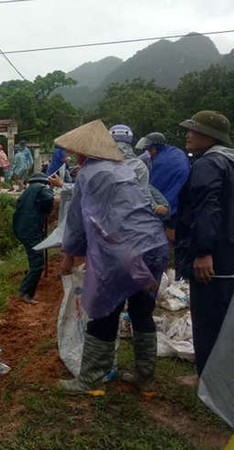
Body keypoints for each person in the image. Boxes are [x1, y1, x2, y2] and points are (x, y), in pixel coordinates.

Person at [56, 120, 169, 396]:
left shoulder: (88, 175)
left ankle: (90, 381)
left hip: (123, 253)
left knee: (103, 311)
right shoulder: (125, 171)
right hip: (154, 246)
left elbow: (77, 222)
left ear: (84, 154)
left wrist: (69, 255)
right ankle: (146, 380)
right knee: (142, 313)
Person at [175, 110, 234, 378]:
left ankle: (209, 383)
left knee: (209, 320)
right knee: (225, 320)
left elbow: (207, 208)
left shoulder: (207, 164)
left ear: (209, 136)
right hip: (229, 255)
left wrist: (203, 251)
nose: (188, 134)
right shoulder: (229, 161)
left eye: (194, 130)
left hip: (214, 258)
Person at [12, 172, 54, 305]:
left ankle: (28, 285)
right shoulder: (41, 188)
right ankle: (25, 292)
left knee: (35, 259)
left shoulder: (28, 191)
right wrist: (47, 207)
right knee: (38, 263)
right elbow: (48, 199)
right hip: (30, 230)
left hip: (22, 229)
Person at [135, 132, 190, 231]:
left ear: (156, 147)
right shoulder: (176, 152)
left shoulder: (160, 162)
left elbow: (149, 187)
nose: (148, 153)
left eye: (149, 150)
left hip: (169, 209)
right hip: (184, 205)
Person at [109, 124, 157, 212]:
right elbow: (145, 194)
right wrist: (155, 208)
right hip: (132, 214)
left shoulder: (100, 163)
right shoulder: (139, 165)